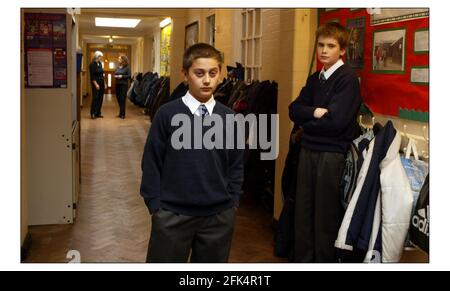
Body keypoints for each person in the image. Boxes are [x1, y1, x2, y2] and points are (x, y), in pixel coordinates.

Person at [140, 43, 244, 263]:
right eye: (199, 73)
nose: (206, 80)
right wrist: (156, 206)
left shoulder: (230, 118)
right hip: (172, 214)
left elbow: (236, 164)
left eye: (212, 73)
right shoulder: (166, 114)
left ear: (220, 74)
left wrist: (232, 200)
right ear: (185, 74)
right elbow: (151, 162)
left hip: (218, 216)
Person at [288, 22, 362, 262]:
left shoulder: (347, 79)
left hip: (332, 155)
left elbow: (336, 122)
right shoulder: (315, 78)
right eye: (320, 45)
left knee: (325, 217)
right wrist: (317, 112)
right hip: (309, 150)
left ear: (342, 50)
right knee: (304, 212)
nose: (324, 51)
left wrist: (307, 120)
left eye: (331, 46)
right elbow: (293, 110)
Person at [89, 51, 105, 119]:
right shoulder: (92, 64)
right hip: (95, 83)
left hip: (101, 82)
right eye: (99, 57)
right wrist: (96, 84)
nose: (100, 58)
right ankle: (93, 113)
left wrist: (105, 82)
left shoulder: (100, 63)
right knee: (95, 98)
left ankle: (98, 113)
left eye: (100, 57)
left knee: (100, 98)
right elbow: (92, 76)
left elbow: (102, 74)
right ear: (96, 56)